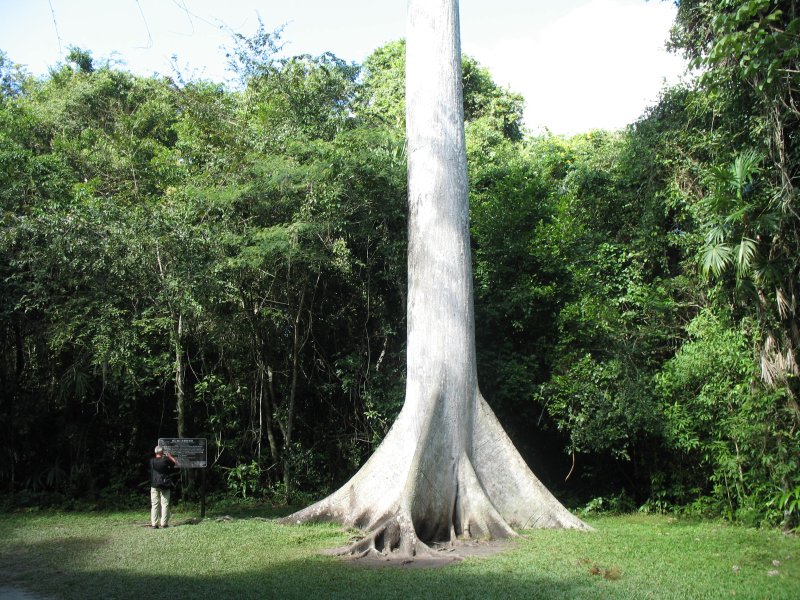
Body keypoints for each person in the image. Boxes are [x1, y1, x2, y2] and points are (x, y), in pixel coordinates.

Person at [149, 445, 179, 528]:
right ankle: (164, 523)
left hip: (154, 485)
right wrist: (170, 456)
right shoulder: (165, 460)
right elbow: (175, 463)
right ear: (162, 452)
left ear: (155, 452)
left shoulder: (152, 461)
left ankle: (154, 524)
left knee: (155, 504)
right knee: (165, 504)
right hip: (165, 484)